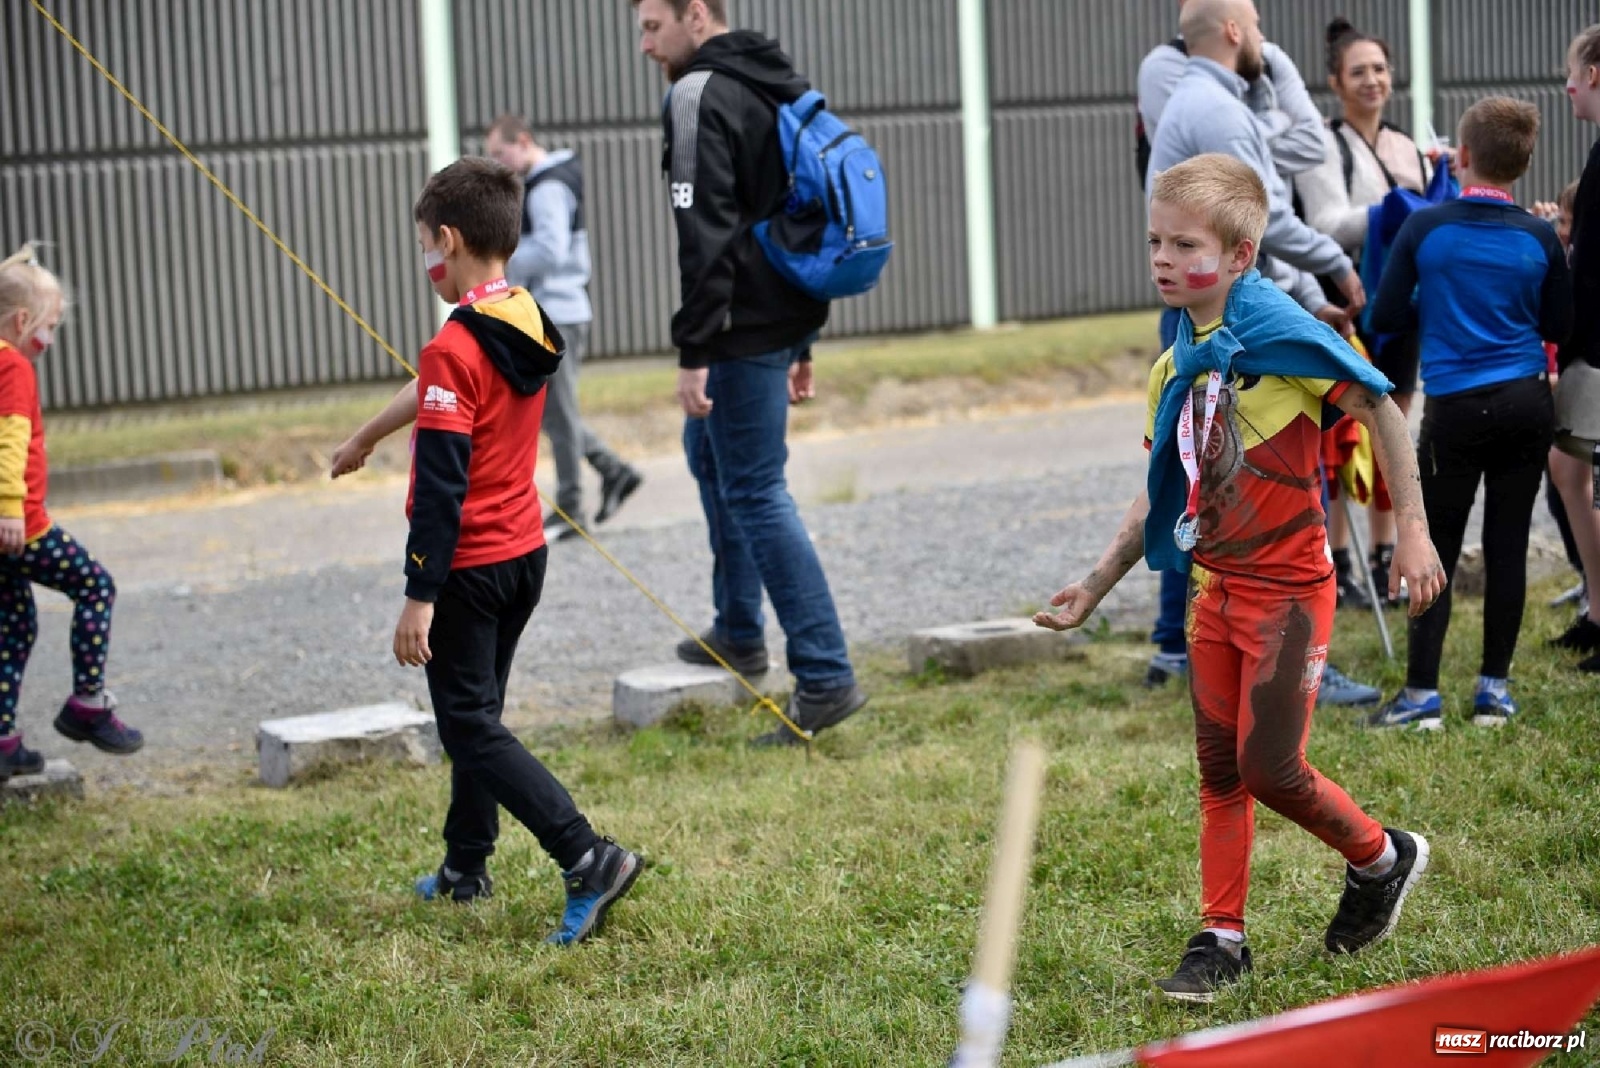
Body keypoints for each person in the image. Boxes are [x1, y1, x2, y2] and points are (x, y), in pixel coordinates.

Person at [1035, 153, 1442, 1002]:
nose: (1161, 258)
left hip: (1290, 595)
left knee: (1272, 769)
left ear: (1242, 257)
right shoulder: (1171, 367)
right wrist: (1096, 584)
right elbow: (1161, 490)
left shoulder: (1289, 339)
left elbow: (1385, 413)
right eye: (1154, 240)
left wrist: (1411, 533)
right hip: (1210, 593)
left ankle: (1381, 857)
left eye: (1184, 244)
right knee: (1218, 772)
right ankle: (1222, 937)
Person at [394, 157, 641, 944]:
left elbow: (440, 487)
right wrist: (369, 432)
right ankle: (467, 865)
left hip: (465, 569)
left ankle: (588, 856)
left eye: (426, 246)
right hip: (524, 555)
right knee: (481, 716)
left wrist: (418, 593)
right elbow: (445, 376)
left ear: (448, 237)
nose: (426, 261)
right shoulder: (526, 317)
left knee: (467, 724)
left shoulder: (452, 348)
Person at [632, 0, 867, 746]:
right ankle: (738, 628)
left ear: (696, 15)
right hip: (776, 320)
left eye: (651, 26)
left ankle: (825, 676)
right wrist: (804, 337)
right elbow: (800, 211)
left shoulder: (699, 92)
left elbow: (706, 233)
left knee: (756, 490)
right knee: (710, 456)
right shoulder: (776, 81)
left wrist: (693, 349)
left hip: (737, 330)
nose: (644, 45)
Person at [1140, 0, 1380, 707]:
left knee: (1203, 482)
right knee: (1248, 485)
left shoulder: (1215, 100)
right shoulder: (1213, 110)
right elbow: (1265, 221)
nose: (1270, 45)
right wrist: (1334, 265)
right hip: (1233, 326)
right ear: (1238, 33)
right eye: (1261, 32)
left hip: (1242, 313)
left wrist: (1306, 293)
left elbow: (1285, 172)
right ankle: (1268, 655)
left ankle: (1178, 647)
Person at [1368, 97, 1573, 726]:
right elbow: (1560, 325)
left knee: (1437, 544)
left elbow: (1384, 317)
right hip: (1526, 402)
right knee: (1507, 546)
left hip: (1453, 408)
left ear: (1459, 157)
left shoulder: (1425, 229)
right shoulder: (1540, 236)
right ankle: (1493, 694)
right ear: (1525, 163)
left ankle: (1422, 696)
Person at [1295, 17, 1432, 608]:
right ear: (1335, 82)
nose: (1372, 80)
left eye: (1380, 69)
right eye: (1359, 71)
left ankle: (1384, 555)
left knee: (1392, 425)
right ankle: (1340, 560)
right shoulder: (1321, 143)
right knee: (1337, 429)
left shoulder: (1408, 143)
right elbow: (1324, 223)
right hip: (1342, 303)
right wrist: (1398, 209)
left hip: (1401, 304)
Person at [0, 244, 143, 781]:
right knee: (95, 586)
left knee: (13, 628)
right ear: (21, 321)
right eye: (50, 326)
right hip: (21, 526)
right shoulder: (12, 366)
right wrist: (10, 508)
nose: (50, 340)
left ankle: (4, 740)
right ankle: (87, 704)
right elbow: (9, 442)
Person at [484, 114, 642, 541]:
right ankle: (612, 471)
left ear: (524, 142)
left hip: (557, 312)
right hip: (553, 310)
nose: (498, 163)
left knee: (558, 413)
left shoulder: (548, 187)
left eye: (501, 153)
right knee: (552, 412)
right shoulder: (544, 182)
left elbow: (551, 251)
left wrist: (501, 257)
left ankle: (573, 506)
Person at [1541, 24, 1600, 672]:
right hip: (1590, 343)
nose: (1566, 85)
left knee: (1575, 472)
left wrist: (1573, 342)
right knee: (1568, 470)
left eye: (1573, 71)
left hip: (1595, 345)